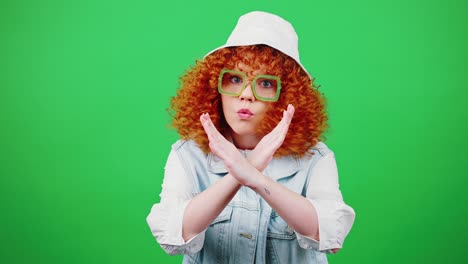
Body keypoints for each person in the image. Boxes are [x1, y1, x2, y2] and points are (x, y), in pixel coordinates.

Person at [147, 11, 356, 264]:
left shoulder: (315, 158)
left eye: (265, 83)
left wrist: (255, 178)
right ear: (215, 87)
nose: (246, 94)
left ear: (286, 96)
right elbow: (173, 237)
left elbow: (330, 234)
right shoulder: (187, 155)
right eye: (235, 79)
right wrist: (239, 175)